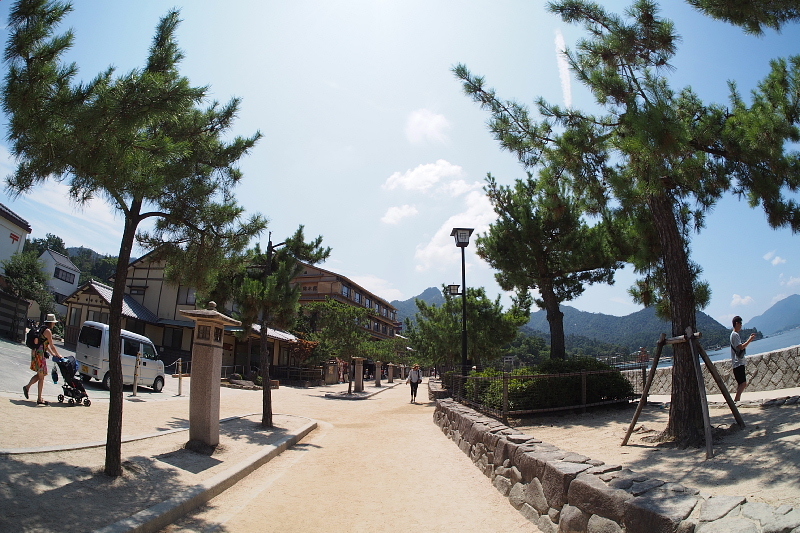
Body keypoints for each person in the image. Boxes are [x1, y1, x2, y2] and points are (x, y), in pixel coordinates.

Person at [23, 314, 62, 406]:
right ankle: (38, 398)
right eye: (54, 323)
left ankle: (29, 388)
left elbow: (44, 344)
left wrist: (53, 354)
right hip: (40, 354)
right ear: (51, 323)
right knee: (41, 376)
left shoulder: (42, 328)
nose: (54, 325)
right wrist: (58, 354)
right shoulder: (48, 331)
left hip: (36, 352)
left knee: (41, 375)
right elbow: (51, 345)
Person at [730, 315, 756, 401]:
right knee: (743, 383)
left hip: (737, 363)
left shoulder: (733, 335)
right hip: (738, 363)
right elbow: (741, 347)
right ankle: (736, 401)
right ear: (737, 323)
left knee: (741, 384)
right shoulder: (735, 335)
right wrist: (750, 340)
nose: (741, 325)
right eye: (740, 323)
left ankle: (737, 400)